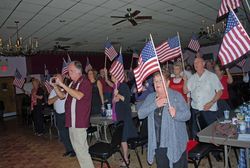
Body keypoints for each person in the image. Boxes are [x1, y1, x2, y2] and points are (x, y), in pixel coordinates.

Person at [138, 70, 190, 168]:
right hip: (159, 142)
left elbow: (187, 115)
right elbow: (140, 114)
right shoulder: (151, 97)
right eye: (155, 81)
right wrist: (155, 104)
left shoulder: (175, 96)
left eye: (160, 81)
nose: (157, 83)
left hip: (175, 141)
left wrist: (176, 114)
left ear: (167, 82)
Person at [53, 61, 94, 168]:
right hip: (71, 122)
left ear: (77, 71)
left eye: (70, 71)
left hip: (79, 122)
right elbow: (62, 96)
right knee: (78, 150)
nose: (68, 73)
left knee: (82, 151)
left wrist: (62, 84)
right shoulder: (72, 84)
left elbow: (79, 96)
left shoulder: (85, 82)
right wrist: (56, 86)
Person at [104, 69, 137, 167]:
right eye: (111, 75)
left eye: (113, 75)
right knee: (122, 139)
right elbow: (113, 101)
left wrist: (117, 94)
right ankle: (126, 155)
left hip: (124, 117)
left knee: (123, 139)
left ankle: (126, 160)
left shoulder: (123, 86)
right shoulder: (115, 86)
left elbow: (126, 100)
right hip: (118, 116)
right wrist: (114, 98)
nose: (111, 76)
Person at [183, 57, 223, 139]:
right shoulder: (192, 78)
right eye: (194, 63)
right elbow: (185, 91)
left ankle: (215, 151)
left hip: (209, 110)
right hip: (196, 110)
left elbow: (220, 91)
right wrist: (185, 81)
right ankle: (199, 151)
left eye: (198, 62)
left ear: (203, 64)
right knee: (196, 134)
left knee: (212, 134)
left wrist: (211, 102)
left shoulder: (212, 76)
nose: (195, 64)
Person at [48, 74, 75, 157]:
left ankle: (74, 150)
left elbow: (62, 96)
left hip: (66, 113)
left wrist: (58, 95)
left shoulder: (67, 87)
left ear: (62, 79)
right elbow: (49, 102)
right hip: (58, 114)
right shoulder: (53, 90)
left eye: (58, 78)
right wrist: (57, 95)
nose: (57, 79)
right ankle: (69, 150)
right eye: (56, 78)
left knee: (70, 133)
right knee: (63, 134)